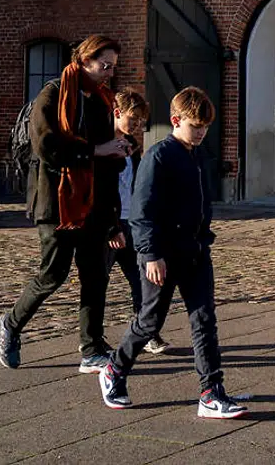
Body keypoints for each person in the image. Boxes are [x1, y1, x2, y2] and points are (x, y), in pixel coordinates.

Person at [98, 87, 250, 419]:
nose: (201, 132)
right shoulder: (159, 156)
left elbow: (201, 204)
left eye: (205, 127)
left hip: (195, 253)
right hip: (162, 256)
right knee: (150, 321)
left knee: (204, 320)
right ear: (175, 120)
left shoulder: (198, 156)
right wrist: (150, 254)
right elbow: (142, 211)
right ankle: (115, 369)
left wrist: (204, 237)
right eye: (196, 126)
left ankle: (211, 392)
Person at [0, 35, 129, 373]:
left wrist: (117, 158)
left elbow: (107, 158)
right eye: (104, 66)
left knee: (95, 275)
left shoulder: (101, 101)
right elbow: (47, 146)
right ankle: (10, 323)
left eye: (113, 66)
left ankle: (92, 349)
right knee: (52, 274)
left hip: (93, 204)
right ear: (84, 60)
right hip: (56, 202)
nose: (109, 73)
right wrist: (95, 151)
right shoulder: (53, 94)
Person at [103, 88, 169, 355]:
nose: (138, 126)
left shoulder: (132, 147)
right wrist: (111, 226)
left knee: (141, 281)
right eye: (133, 119)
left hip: (132, 222)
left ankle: (147, 333)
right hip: (110, 225)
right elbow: (101, 191)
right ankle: (93, 341)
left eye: (141, 121)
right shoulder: (103, 146)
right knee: (99, 284)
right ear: (117, 114)